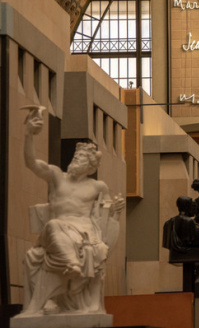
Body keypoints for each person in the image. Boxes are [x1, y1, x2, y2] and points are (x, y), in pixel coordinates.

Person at [18, 106, 124, 317]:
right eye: (76, 157)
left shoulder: (98, 187)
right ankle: (72, 264)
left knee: (79, 240)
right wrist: (29, 134)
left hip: (85, 232)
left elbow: (106, 217)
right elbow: (31, 163)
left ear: (91, 166)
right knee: (53, 225)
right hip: (56, 230)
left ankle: (68, 274)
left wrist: (116, 211)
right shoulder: (57, 176)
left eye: (82, 158)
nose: (76, 160)